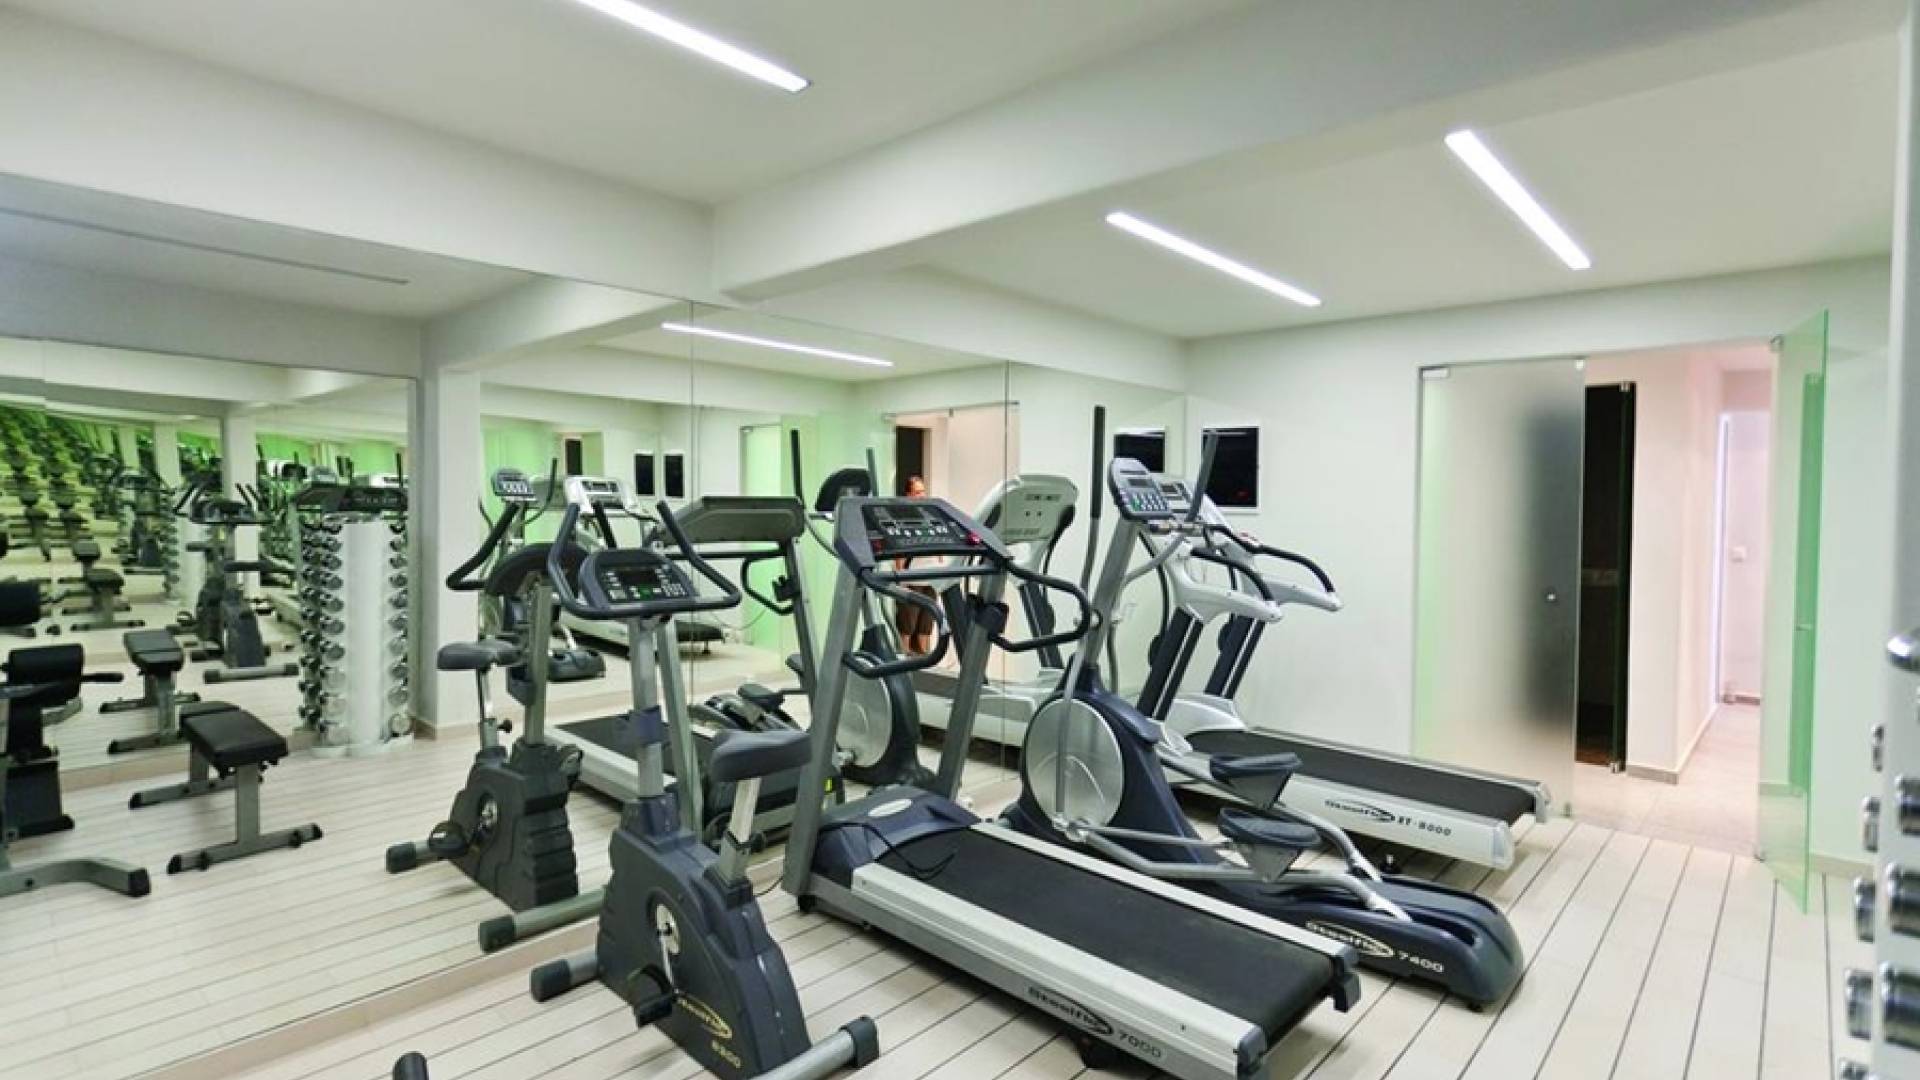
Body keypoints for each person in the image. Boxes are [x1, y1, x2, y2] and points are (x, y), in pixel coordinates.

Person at [895, 475, 936, 655]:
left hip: (930, 578)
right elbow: (899, 550)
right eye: (917, 492)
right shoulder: (902, 519)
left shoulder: (929, 515)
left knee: (925, 627)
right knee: (908, 626)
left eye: (923, 491)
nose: (922, 495)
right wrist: (901, 578)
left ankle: (925, 660)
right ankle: (904, 658)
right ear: (909, 495)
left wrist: (940, 565)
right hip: (912, 578)